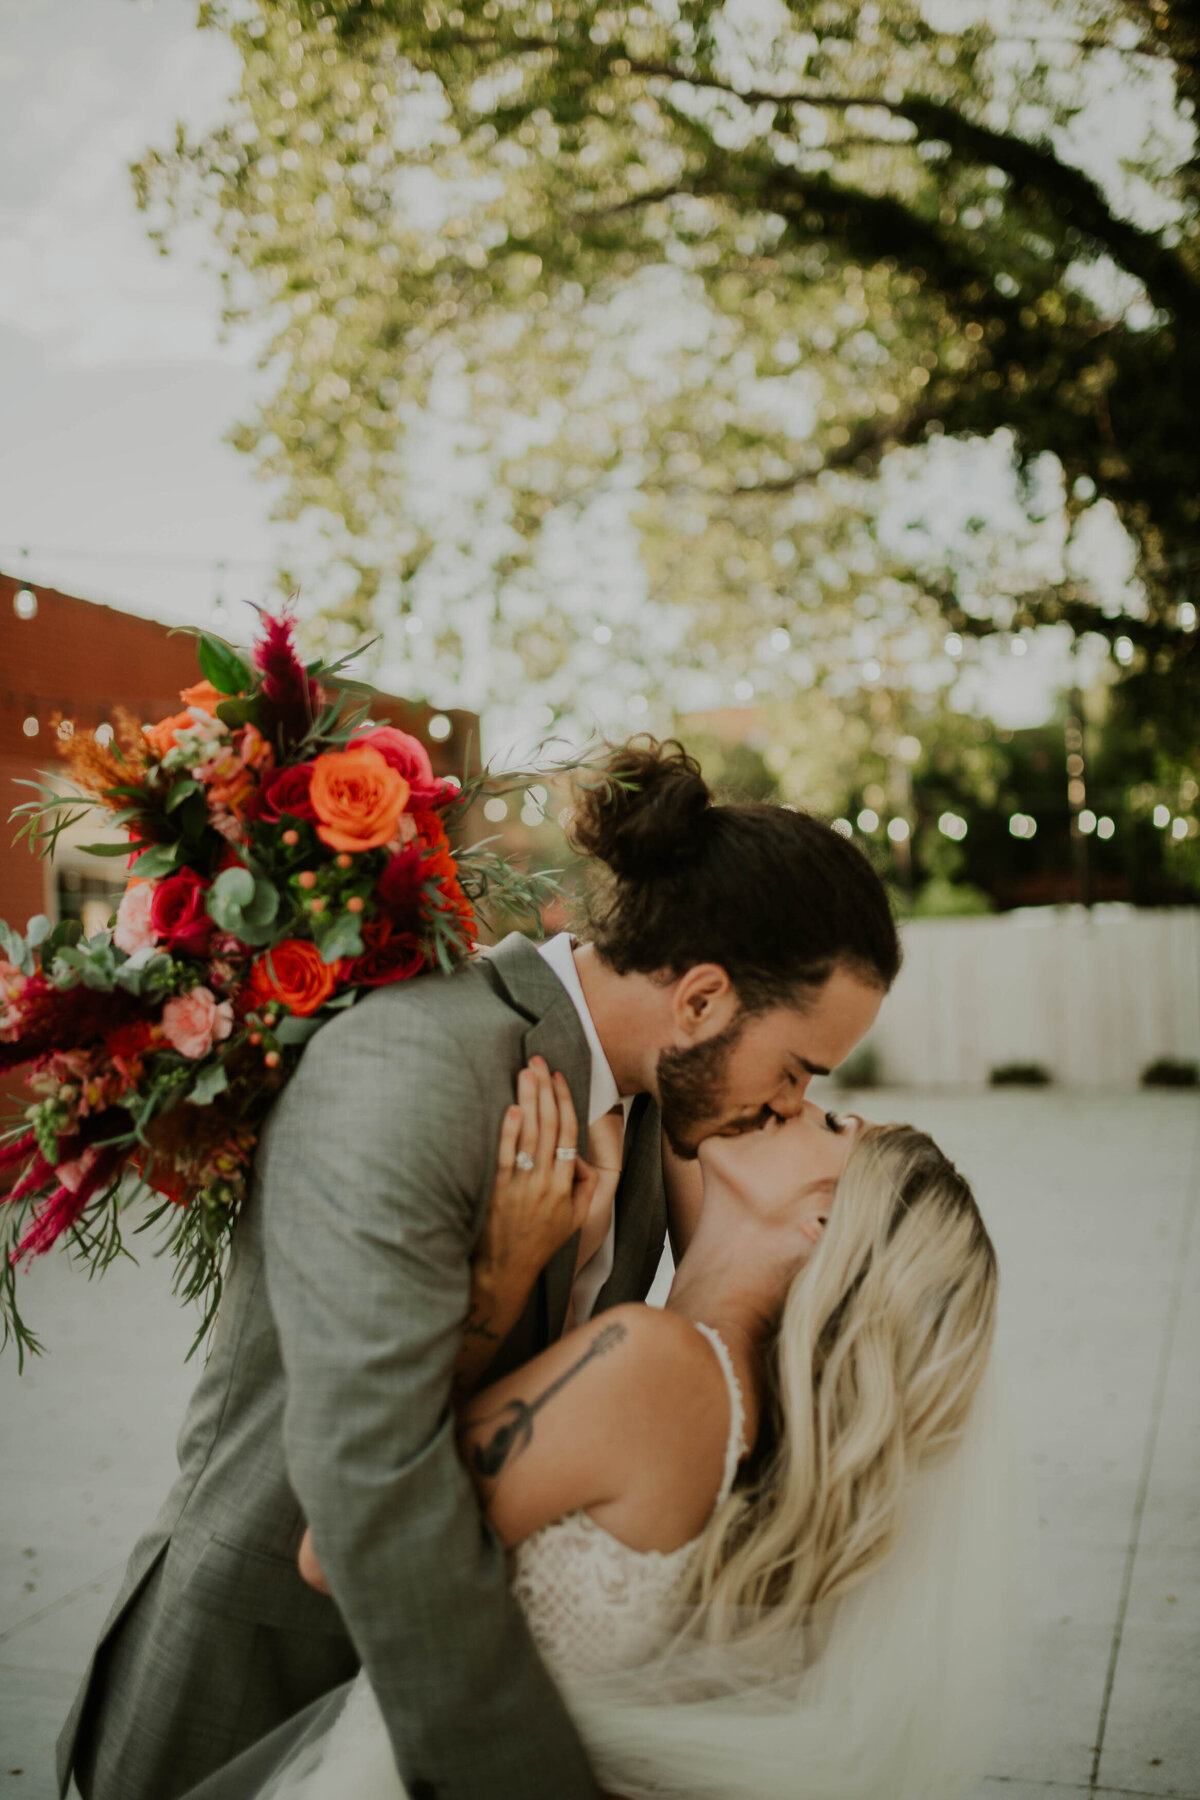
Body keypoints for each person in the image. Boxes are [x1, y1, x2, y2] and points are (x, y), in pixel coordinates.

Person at [59, 739, 900, 1800]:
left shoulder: (655, 1121)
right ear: (698, 1001)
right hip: (256, 1682)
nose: (788, 1103)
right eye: (796, 1069)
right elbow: (367, 1476)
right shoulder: (415, 1060)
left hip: (413, 1705)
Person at [204, 1067, 1004, 1800]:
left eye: (833, 1126)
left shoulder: (660, 1369)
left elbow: (339, 1550)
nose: (792, 1101)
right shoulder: (749, 1413)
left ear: (823, 1219)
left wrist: (502, 1278)